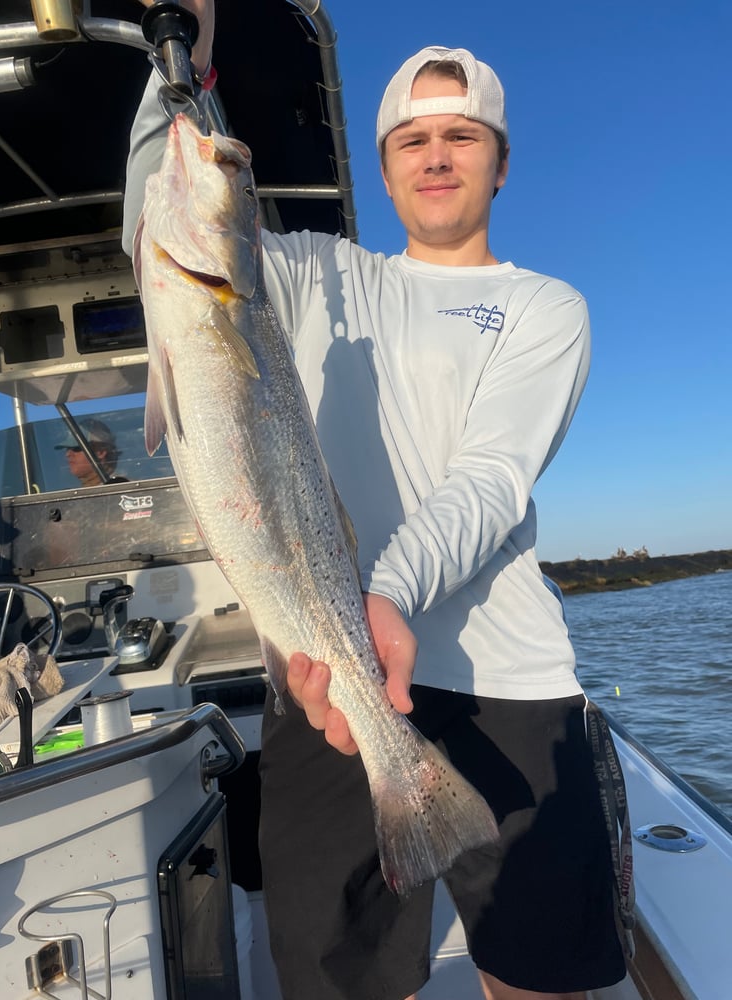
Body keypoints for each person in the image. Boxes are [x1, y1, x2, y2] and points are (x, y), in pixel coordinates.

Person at [123, 6, 629, 999]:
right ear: (385, 161)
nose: (435, 157)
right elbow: (157, 195)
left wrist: (383, 594)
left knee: (538, 975)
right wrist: (184, 54)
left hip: (506, 676)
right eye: (412, 139)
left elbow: (490, 478)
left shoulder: (545, 306)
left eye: (460, 136)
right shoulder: (310, 273)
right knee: (336, 980)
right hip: (324, 678)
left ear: (500, 161)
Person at [54, 417, 127, 487]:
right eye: (67, 449)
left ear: (100, 452)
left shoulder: (123, 490)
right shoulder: (80, 494)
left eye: (76, 448)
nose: (68, 454)